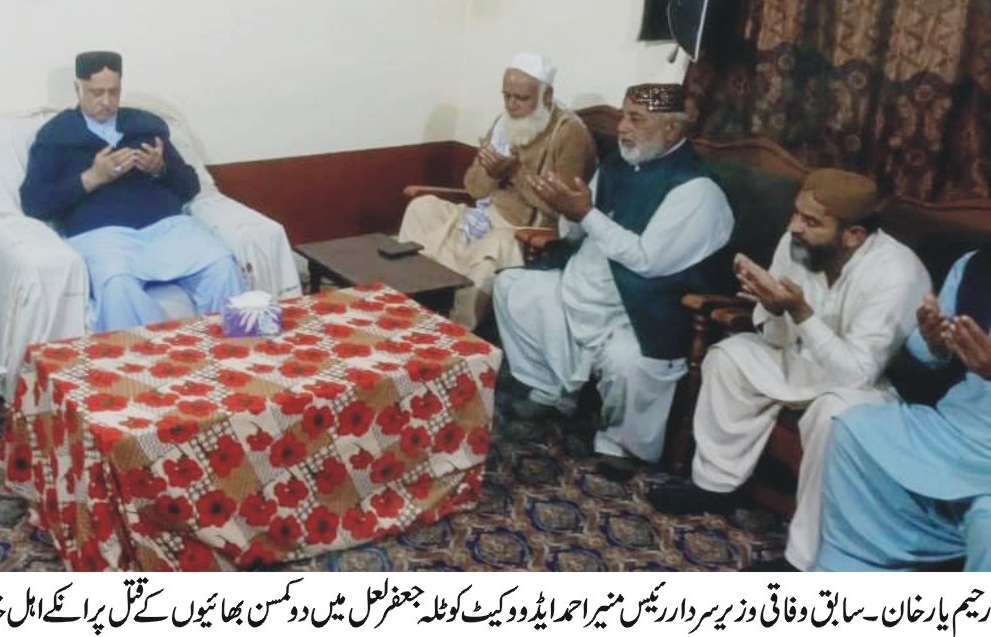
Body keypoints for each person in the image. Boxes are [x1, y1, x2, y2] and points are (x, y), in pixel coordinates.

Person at [644, 169, 931, 571]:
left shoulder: (896, 273)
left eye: (811, 221)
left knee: (833, 416)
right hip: (803, 361)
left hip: (864, 389)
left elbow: (857, 374)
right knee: (729, 357)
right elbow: (777, 340)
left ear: (853, 235)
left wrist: (800, 312)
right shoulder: (796, 245)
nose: (795, 227)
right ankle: (717, 486)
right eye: (796, 213)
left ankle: (803, 559)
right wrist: (775, 311)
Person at [492, 83, 734, 479]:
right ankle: (551, 390)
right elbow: (578, 231)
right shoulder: (619, 164)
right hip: (583, 282)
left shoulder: (697, 191)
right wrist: (565, 210)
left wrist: (585, 213)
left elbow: (647, 260)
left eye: (636, 119)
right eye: (623, 116)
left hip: (638, 308)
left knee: (628, 360)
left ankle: (622, 445)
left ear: (671, 129)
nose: (622, 128)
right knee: (513, 289)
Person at [19, 51, 246, 332]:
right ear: (77, 89)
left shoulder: (144, 126)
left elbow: (189, 186)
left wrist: (160, 169)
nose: (107, 102)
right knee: (117, 287)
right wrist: (92, 178)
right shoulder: (56, 136)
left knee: (221, 265)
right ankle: (156, 355)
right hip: (103, 235)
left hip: (167, 227)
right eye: (96, 93)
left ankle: (235, 350)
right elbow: (34, 203)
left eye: (113, 92)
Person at [814, 250, 991, 571]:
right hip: (958, 423)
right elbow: (931, 354)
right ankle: (853, 570)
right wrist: (934, 339)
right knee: (854, 430)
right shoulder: (974, 265)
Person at [397, 53, 597, 328]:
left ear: (547, 96)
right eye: (507, 96)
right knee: (423, 208)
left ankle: (457, 331)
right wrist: (490, 171)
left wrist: (515, 173)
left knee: (496, 246)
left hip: (524, 233)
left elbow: (562, 207)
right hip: (484, 215)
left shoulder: (569, 134)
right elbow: (473, 189)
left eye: (522, 98)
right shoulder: (503, 124)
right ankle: (409, 305)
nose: (512, 105)